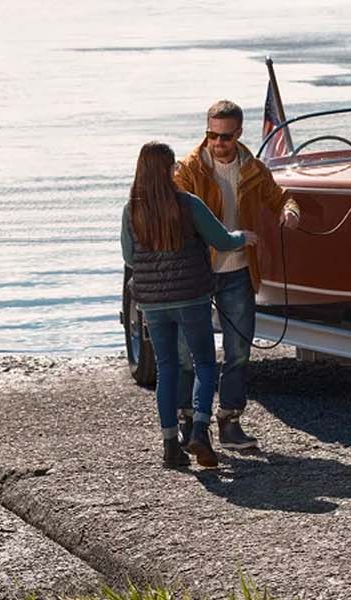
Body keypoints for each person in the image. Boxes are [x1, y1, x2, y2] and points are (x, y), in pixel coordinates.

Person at [170, 100, 302, 451]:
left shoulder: (254, 169)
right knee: (186, 353)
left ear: (238, 133)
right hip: (197, 273)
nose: (217, 142)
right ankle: (187, 423)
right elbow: (174, 213)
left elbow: (281, 198)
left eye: (225, 136)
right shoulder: (187, 169)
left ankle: (229, 422)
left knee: (239, 351)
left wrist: (290, 212)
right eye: (211, 134)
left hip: (239, 271)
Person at [122, 142, 256, 468]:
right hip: (191, 298)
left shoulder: (131, 209)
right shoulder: (188, 204)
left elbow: (128, 256)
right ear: (167, 170)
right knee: (204, 364)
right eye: (174, 166)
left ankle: (170, 446)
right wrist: (245, 237)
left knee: (167, 369)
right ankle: (199, 428)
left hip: (152, 304)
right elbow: (222, 240)